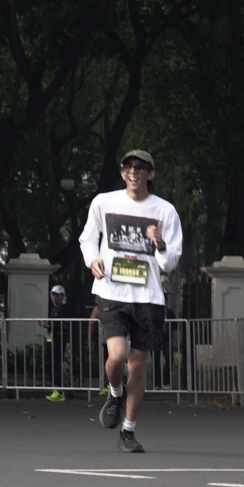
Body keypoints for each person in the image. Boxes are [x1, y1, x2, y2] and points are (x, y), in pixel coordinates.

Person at [79, 149, 183, 453]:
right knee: (117, 357)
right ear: (123, 173)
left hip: (148, 298)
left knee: (137, 366)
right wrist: (92, 259)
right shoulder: (104, 202)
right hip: (111, 292)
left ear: (150, 174)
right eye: (129, 166)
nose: (134, 171)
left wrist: (160, 244)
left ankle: (128, 431)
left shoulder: (165, 211)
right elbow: (87, 238)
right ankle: (115, 391)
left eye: (140, 167)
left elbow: (170, 263)